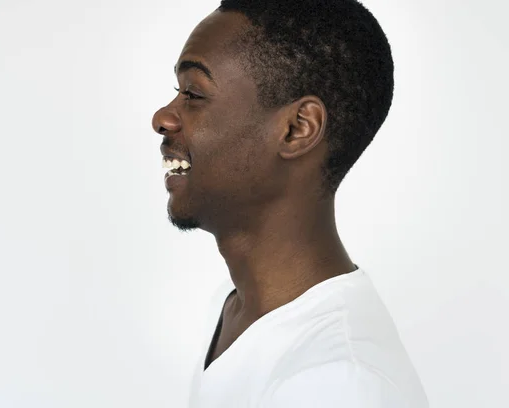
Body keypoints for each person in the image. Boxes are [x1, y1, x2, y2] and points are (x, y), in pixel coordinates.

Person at [151, 0, 429, 406]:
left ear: (297, 129)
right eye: (177, 91)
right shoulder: (233, 309)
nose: (163, 117)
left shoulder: (339, 384)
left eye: (193, 93)